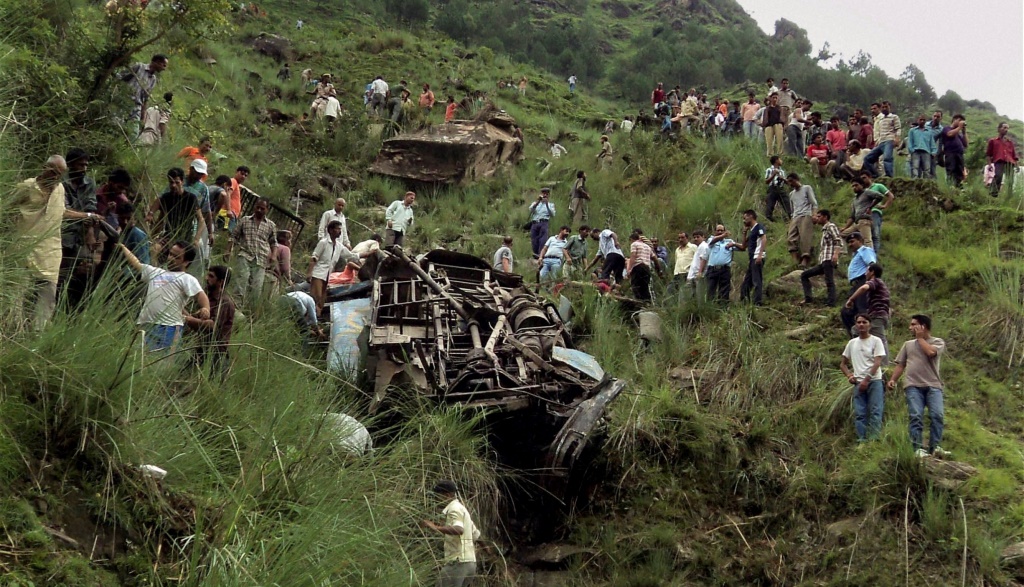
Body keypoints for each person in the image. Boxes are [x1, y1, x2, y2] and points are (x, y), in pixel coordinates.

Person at [119, 240, 210, 353]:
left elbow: (200, 295)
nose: (171, 258)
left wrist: (205, 308)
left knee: (161, 361)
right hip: (146, 324)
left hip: (169, 327)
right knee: (140, 359)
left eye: (176, 257)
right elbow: (136, 263)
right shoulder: (156, 272)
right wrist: (122, 246)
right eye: (170, 254)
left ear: (186, 262)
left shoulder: (187, 279)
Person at [13, 156, 71, 330]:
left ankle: (38, 334)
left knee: (46, 295)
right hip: (23, 248)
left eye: (60, 174)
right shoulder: (27, 187)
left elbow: (61, 212)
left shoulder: (60, 190)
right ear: (44, 167)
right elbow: (9, 208)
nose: (55, 177)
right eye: (53, 172)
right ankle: (13, 329)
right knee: (17, 292)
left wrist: (88, 216)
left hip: (50, 251)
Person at [888, 315, 950, 458]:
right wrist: (893, 380)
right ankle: (916, 448)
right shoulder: (908, 344)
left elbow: (930, 353)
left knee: (937, 415)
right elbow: (901, 364)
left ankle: (935, 447)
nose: (910, 328)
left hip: (933, 384)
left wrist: (921, 338)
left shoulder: (937, 342)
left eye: (913, 324)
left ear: (923, 326)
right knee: (915, 415)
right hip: (913, 385)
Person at [422, 480, 480, 587]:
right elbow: (476, 535)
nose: (436, 499)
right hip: (470, 564)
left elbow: (459, 529)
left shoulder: (454, 508)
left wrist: (435, 527)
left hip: (457, 563)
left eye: (437, 496)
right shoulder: (463, 509)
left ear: (447, 495)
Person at [840, 313, 887, 442]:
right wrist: (849, 375)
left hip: (874, 381)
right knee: (860, 412)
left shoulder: (876, 341)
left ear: (870, 325)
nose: (861, 324)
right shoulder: (852, 343)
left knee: (876, 410)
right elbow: (843, 364)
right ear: (855, 325)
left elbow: (877, 362)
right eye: (859, 322)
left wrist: (867, 379)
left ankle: (874, 438)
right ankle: (862, 439)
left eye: (864, 322)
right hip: (858, 382)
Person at [184, 265, 235, 374]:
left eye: (211, 276)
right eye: (207, 275)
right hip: (200, 349)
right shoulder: (206, 297)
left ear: (220, 282)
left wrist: (188, 319)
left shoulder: (224, 302)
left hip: (216, 353)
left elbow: (212, 325)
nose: (207, 278)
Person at [60, 148, 99, 289]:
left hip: (81, 234)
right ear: (70, 165)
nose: (84, 168)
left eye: (86, 165)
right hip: (64, 235)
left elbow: (91, 205)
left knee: (84, 272)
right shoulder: (62, 183)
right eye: (80, 165)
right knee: (62, 273)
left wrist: (90, 232)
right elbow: (64, 210)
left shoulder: (89, 183)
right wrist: (87, 216)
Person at [227, 198, 277, 303]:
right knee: (242, 280)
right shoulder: (245, 220)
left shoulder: (271, 225)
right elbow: (234, 236)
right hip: (245, 254)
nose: (259, 210)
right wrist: (228, 250)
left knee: (256, 287)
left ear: (267, 210)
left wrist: (273, 255)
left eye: (262, 208)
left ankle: (250, 312)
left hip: (261, 258)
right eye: (257, 207)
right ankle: (236, 306)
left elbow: (273, 242)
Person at [307, 220, 357, 312]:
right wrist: (309, 273)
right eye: (337, 229)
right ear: (330, 230)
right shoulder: (323, 243)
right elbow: (314, 257)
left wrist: (367, 253)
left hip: (327, 275)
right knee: (316, 298)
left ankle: (317, 320)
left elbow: (350, 255)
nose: (340, 231)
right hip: (318, 274)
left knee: (322, 299)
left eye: (340, 229)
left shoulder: (339, 246)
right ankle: (310, 320)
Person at [844, 262, 890, 357]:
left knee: (880, 339)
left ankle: (884, 365)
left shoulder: (875, 281)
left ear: (872, 272)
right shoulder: (880, 285)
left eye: (866, 271)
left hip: (878, 315)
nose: (865, 274)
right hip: (877, 315)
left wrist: (851, 299)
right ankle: (863, 354)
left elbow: (864, 288)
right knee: (856, 330)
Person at [149, 167, 203, 246]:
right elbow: (161, 219)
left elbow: (201, 220)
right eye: (171, 182)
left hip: (185, 239)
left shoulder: (190, 198)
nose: (174, 185)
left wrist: (196, 239)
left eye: (177, 182)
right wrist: (151, 238)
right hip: (168, 237)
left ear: (182, 182)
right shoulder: (166, 197)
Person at [799, 209, 842, 307]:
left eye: (819, 216)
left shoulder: (831, 226)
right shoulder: (824, 230)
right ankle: (808, 298)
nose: (817, 218)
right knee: (804, 275)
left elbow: (838, 241)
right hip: (823, 261)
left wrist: (835, 255)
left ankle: (831, 304)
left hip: (829, 259)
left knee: (829, 281)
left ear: (825, 217)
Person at [839, 233, 877, 334]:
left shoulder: (864, 250)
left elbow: (872, 264)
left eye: (852, 241)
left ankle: (867, 335)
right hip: (855, 284)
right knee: (846, 311)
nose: (850, 244)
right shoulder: (856, 255)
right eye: (849, 243)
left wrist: (871, 280)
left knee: (862, 309)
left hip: (863, 281)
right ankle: (855, 335)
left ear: (860, 241)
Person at [728, 211, 766, 305]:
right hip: (752, 259)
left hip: (757, 257)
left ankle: (758, 302)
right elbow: (743, 246)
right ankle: (745, 302)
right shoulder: (752, 231)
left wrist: (760, 255)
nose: (744, 220)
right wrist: (744, 234)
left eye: (745, 218)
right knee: (746, 283)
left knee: (757, 280)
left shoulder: (759, 227)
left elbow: (764, 239)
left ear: (751, 216)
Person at [121, 54, 168, 124]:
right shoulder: (139, 67)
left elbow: (145, 98)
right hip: (124, 102)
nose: (164, 68)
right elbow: (121, 77)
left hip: (136, 108)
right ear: (158, 62)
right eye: (164, 65)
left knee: (133, 133)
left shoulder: (153, 79)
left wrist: (143, 117)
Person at [785, 173, 818, 268]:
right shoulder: (791, 194)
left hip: (806, 214)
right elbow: (792, 209)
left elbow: (814, 203)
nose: (790, 184)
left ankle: (805, 259)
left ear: (797, 179)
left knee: (805, 237)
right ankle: (795, 259)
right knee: (791, 238)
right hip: (795, 216)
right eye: (788, 182)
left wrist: (814, 214)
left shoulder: (807, 188)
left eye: (791, 181)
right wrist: (792, 218)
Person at [840, 181, 883, 251]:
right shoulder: (854, 200)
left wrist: (870, 207)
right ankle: (844, 253)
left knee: (867, 241)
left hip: (864, 221)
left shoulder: (867, 192)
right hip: (856, 223)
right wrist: (845, 227)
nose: (854, 187)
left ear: (862, 185)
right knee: (841, 235)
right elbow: (852, 216)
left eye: (856, 185)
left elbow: (880, 196)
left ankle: (871, 259)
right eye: (853, 186)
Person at [862, 101, 901, 178]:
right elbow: (878, 131)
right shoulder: (880, 119)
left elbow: (898, 129)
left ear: (890, 107)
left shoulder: (894, 117)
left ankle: (889, 177)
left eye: (886, 107)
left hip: (889, 140)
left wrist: (897, 139)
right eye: (883, 107)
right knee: (867, 159)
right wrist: (877, 141)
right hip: (881, 142)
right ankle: (876, 176)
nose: (884, 108)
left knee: (887, 158)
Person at [858, 173, 894, 253]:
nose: (863, 180)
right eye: (861, 179)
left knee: (875, 235)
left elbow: (890, 196)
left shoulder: (878, 186)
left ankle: (875, 255)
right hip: (864, 215)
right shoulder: (862, 190)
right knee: (865, 236)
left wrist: (885, 206)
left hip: (875, 212)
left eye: (864, 178)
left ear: (870, 177)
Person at [986, 122, 1019, 197]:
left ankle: (1009, 196)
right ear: (999, 129)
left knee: (1010, 180)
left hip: (1010, 162)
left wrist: (1016, 165)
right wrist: (989, 164)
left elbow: (1014, 155)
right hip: (999, 161)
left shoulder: (1009, 142)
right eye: (1004, 128)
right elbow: (988, 154)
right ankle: (993, 194)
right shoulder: (993, 141)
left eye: (1007, 128)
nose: (1006, 130)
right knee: (998, 176)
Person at [704, 224, 735, 304]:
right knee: (710, 290)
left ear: (724, 231)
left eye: (722, 230)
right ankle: (710, 308)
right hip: (713, 269)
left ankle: (722, 308)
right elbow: (712, 242)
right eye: (718, 230)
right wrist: (723, 235)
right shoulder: (711, 239)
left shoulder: (730, 242)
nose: (720, 232)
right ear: (715, 232)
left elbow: (742, 248)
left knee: (724, 291)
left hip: (725, 269)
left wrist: (734, 244)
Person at [214, 166, 249, 232]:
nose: (243, 176)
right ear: (236, 172)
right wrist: (229, 210)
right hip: (227, 214)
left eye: (245, 175)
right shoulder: (233, 181)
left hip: (231, 215)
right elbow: (228, 194)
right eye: (242, 173)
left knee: (225, 234)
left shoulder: (237, 185)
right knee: (224, 233)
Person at [116, 202, 150, 267]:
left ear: (134, 217)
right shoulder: (121, 232)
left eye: (128, 218)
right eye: (122, 218)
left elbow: (144, 263)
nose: (125, 222)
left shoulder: (137, 234)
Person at [939, 115, 968, 187]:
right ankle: (950, 187)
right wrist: (959, 127)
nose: (960, 122)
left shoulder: (958, 134)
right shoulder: (947, 128)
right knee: (951, 171)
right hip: (950, 153)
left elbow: (966, 144)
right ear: (954, 120)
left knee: (959, 172)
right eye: (959, 120)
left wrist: (964, 132)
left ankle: (958, 188)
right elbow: (949, 134)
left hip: (959, 155)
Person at [624, 232, 653, 301]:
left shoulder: (634, 244)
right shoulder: (647, 247)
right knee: (645, 287)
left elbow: (633, 256)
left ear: (631, 239)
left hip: (638, 267)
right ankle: (647, 303)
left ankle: (639, 302)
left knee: (636, 285)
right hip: (647, 268)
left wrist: (629, 269)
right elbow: (653, 257)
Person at [527, 187, 555, 258]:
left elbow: (552, 214)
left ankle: (541, 255)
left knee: (543, 240)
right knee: (534, 239)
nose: (545, 195)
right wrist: (538, 202)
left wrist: (547, 204)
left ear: (548, 195)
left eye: (546, 194)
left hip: (544, 223)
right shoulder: (535, 203)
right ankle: (535, 254)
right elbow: (531, 210)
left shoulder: (551, 205)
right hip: (535, 223)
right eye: (543, 193)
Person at [763, 156, 789, 222]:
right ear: (776, 161)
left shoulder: (782, 171)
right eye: (780, 159)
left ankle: (790, 215)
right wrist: (773, 175)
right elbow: (766, 181)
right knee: (770, 203)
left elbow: (787, 182)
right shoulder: (769, 170)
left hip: (781, 188)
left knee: (786, 202)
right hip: (772, 188)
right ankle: (769, 217)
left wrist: (782, 178)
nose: (781, 161)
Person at [761, 93, 784, 157]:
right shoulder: (767, 108)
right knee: (769, 141)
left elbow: (782, 117)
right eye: (773, 97)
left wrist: (782, 124)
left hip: (778, 124)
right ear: (771, 98)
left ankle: (780, 154)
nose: (775, 99)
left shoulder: (779, 108)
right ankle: (770, 155)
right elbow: (765, 117)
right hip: (769, 125)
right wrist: (764, 125)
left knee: (780, 140)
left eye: (776, 98)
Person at [925, 111, 944, 177]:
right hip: (922, 149)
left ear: (941, 118)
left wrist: (937, 154)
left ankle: (932, 185)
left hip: (932, 152)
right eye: (934, 116)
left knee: (932, 171)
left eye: (938, 117)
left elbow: (940, 143)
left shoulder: (941, 129)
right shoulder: (925, 124)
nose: (935, 118)